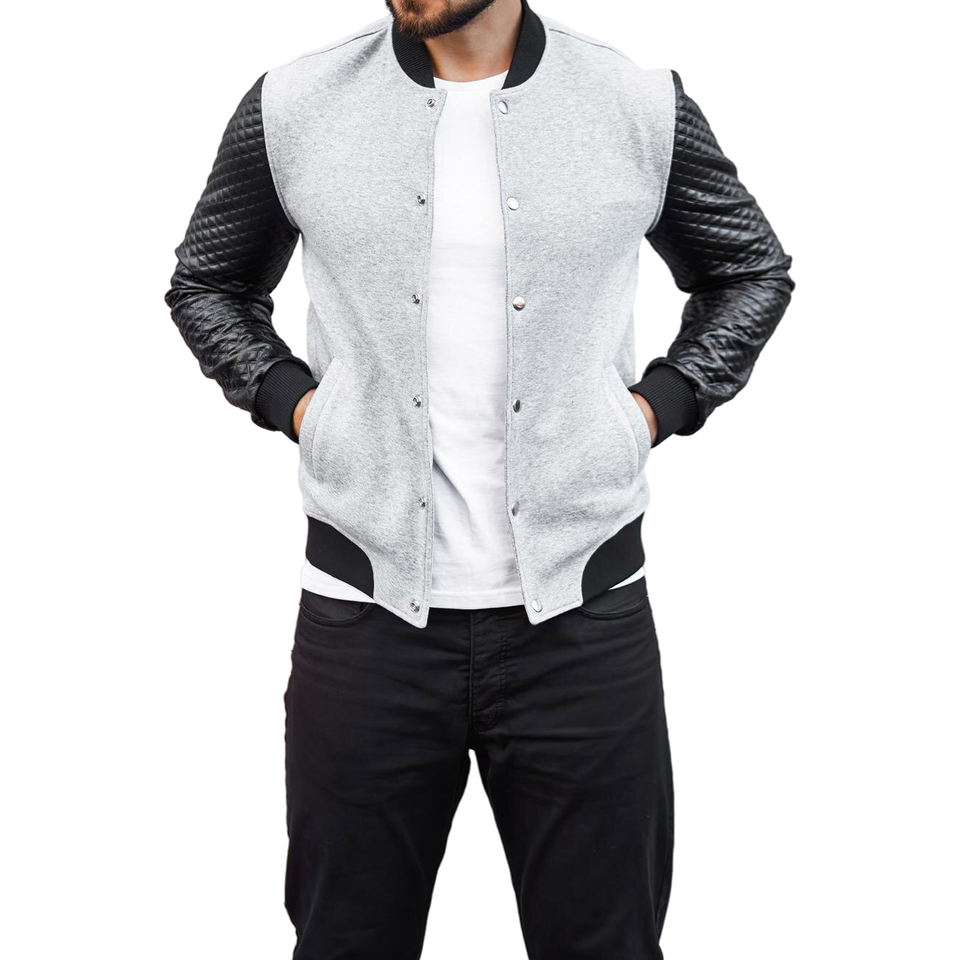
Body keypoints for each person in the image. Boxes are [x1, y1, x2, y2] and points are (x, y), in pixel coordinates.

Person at [163, 1, 795, 956]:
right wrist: (300, 407)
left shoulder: (635, 102)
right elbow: (208, 283)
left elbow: (749, 270)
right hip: (364, 622)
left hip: (585, 623)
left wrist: (653, 409)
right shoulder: (294, 104)